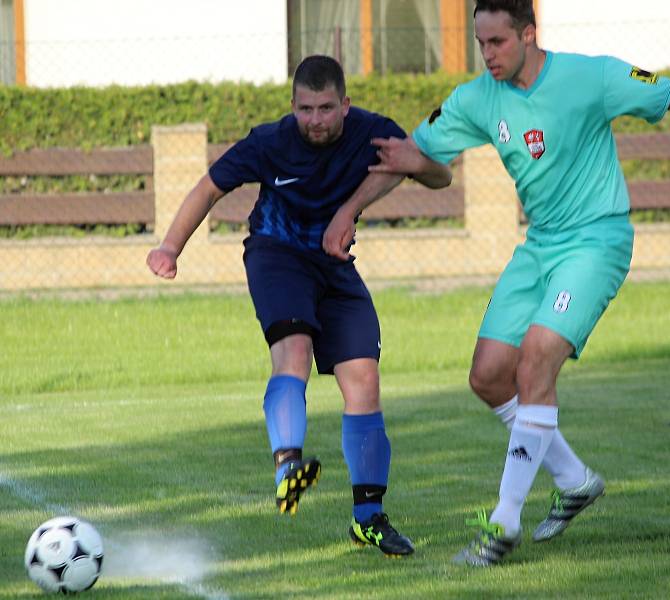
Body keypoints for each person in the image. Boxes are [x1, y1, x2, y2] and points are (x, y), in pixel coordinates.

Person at [323, 0, 670, 566]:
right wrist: (350, 210)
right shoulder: (477, 98)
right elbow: (413, 156)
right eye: (481, 44)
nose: (488, 55)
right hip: (539, 246)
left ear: (529, 33)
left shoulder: (591, 76)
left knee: (536, 358)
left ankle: (501, 524)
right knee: (488, 376)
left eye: (498, 42)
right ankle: (574, 481)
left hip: (597, 241)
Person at [147, 55, 451, 557]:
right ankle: (288, 465)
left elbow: (438, 176)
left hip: (334, 264)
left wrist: (416, 164)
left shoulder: (373, 133)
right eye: (306, 108)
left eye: (326, 108)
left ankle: (369, 518)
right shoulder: (270, 141)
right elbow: (209, 188)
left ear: (345, 105)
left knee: (364, 379)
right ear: (292, 106)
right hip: (276, 254)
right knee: (295, 351)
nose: (315, 119)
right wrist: (169, 248)